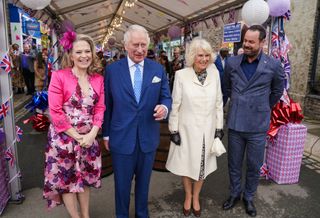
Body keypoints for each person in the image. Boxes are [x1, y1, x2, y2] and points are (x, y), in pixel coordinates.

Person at [102, 24, 172, 218]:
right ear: (125, 45)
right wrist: (106, 133)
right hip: (121, 138)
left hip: (147, 138)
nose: (140, 50)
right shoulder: (112, 70)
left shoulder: (157, 69)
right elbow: (107, 104)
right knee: (122, 187)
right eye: (135, 45)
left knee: (144, 185)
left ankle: (142, 214)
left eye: (143, 45)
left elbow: (166, 97)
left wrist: (164, 107)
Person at [222, 25, 284, 217]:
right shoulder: (232, 63)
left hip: (258, 125)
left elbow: (277, 91)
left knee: (254, 164)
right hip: (236, 123)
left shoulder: (273, 65)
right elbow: (226, 89)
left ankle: (248, 197)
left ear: (262, 43)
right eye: (245, 41)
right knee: (233, 163)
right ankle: (234, 194)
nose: (246, 44)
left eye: (251, 42)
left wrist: (263, 107)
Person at [43, 33, 105, 218]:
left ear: (93, 54)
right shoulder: (59, 76)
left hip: (89, 138)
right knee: (67, 180)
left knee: (85, 179)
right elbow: (55, 111)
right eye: (79, 52)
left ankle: (85, 216)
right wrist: (77, 137)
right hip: (63, 139)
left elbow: (100, 108)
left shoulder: (98, 79)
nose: (84, 55)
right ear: (71, 55)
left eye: (87, 51)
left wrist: (93, 133)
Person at [166, 37, 224, 217]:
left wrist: (219, 127)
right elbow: (175, 103)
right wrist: (173, 129)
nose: (204, 59)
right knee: (186, 165)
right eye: (200, 55)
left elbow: (219, 102)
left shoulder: (214, 74)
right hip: (186, 129)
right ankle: (188, 196)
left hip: (208, 129)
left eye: (207, 55)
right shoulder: (182, 75)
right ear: (193, 56)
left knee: (201, 166)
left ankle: (196, 197)